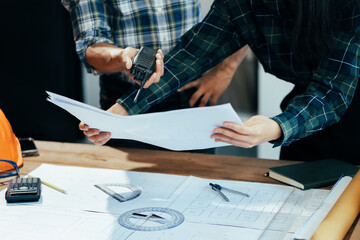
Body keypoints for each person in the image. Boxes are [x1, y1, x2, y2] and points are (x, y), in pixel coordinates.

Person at [79, 0, 360, 164]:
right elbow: (191, 55)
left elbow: (334, 90)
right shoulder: (240, 3)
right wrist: (125, 110)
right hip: (306, 107)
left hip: (345, 100)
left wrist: (277, 126)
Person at [62, 0, 249, 151]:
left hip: (191, 95)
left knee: (200, 183)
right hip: (127, 93)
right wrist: (121, 57)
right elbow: (91, 45)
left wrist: (226, 70)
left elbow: (243, 13)